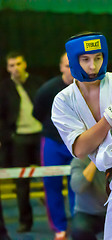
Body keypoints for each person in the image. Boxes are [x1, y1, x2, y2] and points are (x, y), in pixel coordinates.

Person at [51, 32, 112, 240]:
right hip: (111, 181)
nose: (92, 66)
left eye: (98, 58)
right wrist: (110, 118)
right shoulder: (63, 101)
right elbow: (79, 149)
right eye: (85, 59)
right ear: (73, 60)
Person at [32, 53, 75, 240]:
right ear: (60, 67)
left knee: (79, 186)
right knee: (51, 186)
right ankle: (59, 228)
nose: (71, 70)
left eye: (74, 65)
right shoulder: (48, 89)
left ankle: (78, 224)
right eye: (67, 66)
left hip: (77, 142)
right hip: (52, 142)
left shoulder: (86, 87)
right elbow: (38, 113)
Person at [0, 51, 43, 233]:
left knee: (53, 179)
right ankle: (25, 221)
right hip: (18, 139)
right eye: (11, 65)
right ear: (7, 68)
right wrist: (7, 137)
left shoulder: (38, 83)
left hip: (41, 136)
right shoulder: (4, 88)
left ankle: (59, 222)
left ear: (24, 64)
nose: (15, 68)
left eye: (18, 64)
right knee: (21, 185)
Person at [70, 157, 107, 240]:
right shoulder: (80, 159)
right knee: (79, 231)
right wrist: (95, 160)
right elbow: (78, 187)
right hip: (87, 213)